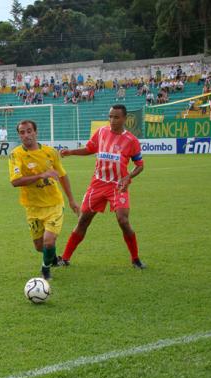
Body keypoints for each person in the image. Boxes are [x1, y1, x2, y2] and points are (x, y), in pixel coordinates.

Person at [60, 104, 146, 269]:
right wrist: (71, 152)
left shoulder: (131, 141)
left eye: (116, 117)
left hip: (118, 186)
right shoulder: (101, 132)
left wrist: (128, 176)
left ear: (124, 118)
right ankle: (65, 258)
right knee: (83, 221)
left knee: (123, 220)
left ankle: (135, 259)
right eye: (110, 116)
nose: (112, 120)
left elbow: (140, 165)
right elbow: (90, 149)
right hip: (97, 184)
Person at [9, 120, 80, 280]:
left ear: (36, 132)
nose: (26, 135)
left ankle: (45, 271)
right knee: (40, 246)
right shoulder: (16, 154)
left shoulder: (50, 152)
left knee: (48, 241)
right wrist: (42, 175)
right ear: (19, 135)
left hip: (54, 204)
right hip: (32, 206)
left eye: (29, 131)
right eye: (22, 132)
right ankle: (53, 259)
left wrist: (71, 200)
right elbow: (15, 181)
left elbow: (62, 175)